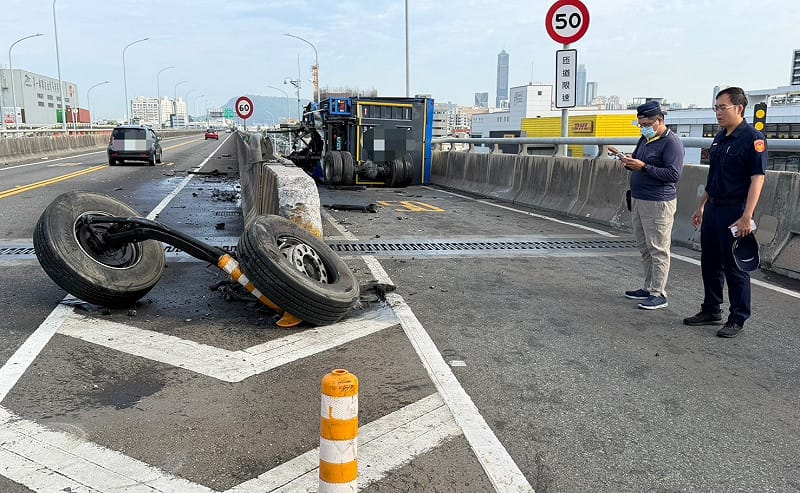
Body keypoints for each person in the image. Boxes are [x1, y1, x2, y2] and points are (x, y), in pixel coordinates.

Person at [683, 86, 767, 338]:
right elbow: (714, 176)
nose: (718, 113)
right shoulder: (719, 138)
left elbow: (757, 179)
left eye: (723, 108)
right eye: (716, 108)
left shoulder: (753, 139)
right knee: (709, 262)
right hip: (714, 208)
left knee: (734, 266)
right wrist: (701, 205)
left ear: (739, 108)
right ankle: (711, 309)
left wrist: (747, 216)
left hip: (736, 210)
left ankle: (738, 317)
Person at [611, 101, 684, 310]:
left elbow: (673, 174)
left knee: (659, 248)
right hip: (639, 199)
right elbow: (639, 162)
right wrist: (629, 162)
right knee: (645, 247)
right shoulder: (645, 139)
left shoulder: (672, 143)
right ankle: (649, 286)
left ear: (659, 120)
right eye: (640, 123)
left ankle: (659, 292)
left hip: (658, 202)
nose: (643, 127)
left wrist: (644, 168)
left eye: (647, 123)